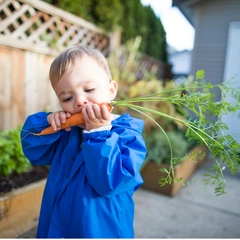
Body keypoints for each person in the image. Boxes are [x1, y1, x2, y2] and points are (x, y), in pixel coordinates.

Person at [21, 46, 147, 238]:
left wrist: (99, 134)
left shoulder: (127, 135)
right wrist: (45, 123)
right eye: (67, 97)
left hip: (99, 230)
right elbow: (32, 150)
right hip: (58, 226)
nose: (79, 101)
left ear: (111, 90)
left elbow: (110, 183)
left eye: (89, 89)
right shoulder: (66, 132)